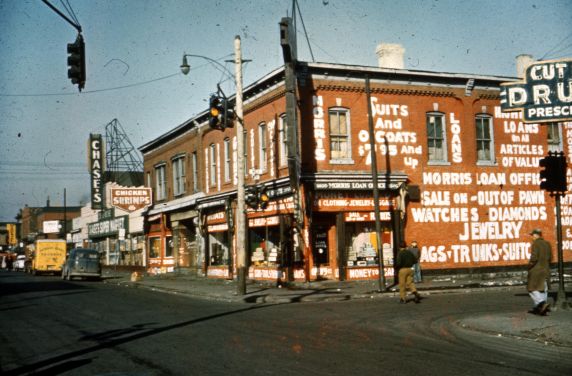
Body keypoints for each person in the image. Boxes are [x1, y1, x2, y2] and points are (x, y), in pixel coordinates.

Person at [527, 229, 551, 315]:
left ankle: (541, 303)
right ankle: (542, 308)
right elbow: (550, 257)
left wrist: (529, 265)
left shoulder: (536, 244)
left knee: (531, 289)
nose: (532, 237)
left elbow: (534, 257)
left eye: (533, 235)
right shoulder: (547, 244)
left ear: (537, 235)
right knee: (543, 289)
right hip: (546, 269)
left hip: (536, 269)